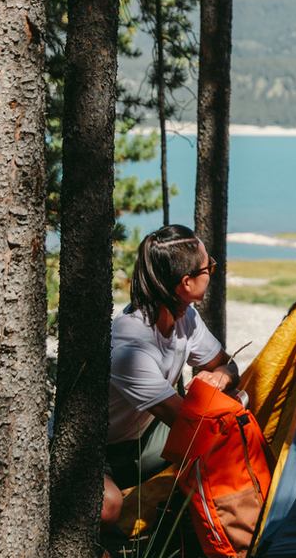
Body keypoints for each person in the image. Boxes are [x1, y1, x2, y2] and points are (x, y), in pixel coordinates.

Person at [101, 224, 242, 528]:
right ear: (186, 283)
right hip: (98, 451)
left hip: (143, 439)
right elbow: (186, 423)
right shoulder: (130, 345)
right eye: (209, 267)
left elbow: (227, 365)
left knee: (235, 405)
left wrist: (222, 379)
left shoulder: (185, 316)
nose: (213, 271)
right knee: (108, 508)